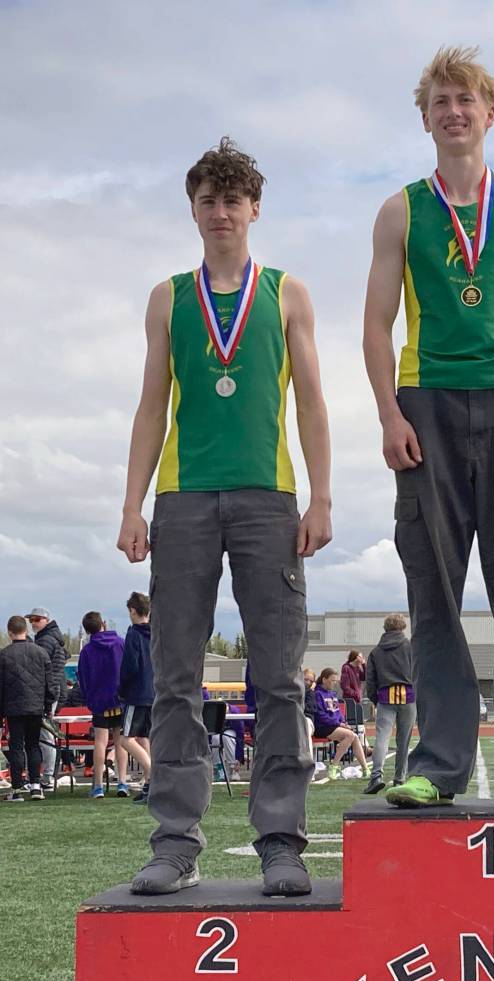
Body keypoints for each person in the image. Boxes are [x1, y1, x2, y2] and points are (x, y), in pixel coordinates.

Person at [115, 137, 332, 897]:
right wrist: (132, 503)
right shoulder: (168, 297)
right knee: (176, 679)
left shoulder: (287, 293)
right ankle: (175, 842)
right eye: (208, 199)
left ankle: (281, 841)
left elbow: (310, 400)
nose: (220, 211)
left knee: (277, 680)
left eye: (233, 199)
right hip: (182, 500)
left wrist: (322, 496)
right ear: (194, 210)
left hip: (268, 501)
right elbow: (151, 405)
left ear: (255, 208)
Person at [363, 46, 494, 810]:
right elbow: (377, 323)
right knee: (435, 595)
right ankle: (440, 762)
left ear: (490, 112)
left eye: (467, 99)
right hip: (427, 406)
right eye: (441, 101)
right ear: (425, 118)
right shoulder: (401, 209)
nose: (455, 111)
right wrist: (389, 414)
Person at [77, 611, 145, 798]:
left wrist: (90, 698)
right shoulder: (120, 644)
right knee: (121, 741)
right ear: (103, 624)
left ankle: (98, 785)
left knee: (100, 742)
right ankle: (122, 782)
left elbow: (82, 678)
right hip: (121, 700)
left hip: (100, 702)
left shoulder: (87, 651)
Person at [0, 615, 56, 801]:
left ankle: (17, 788)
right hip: (35, 707)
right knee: (34, 746)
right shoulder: (41, 653)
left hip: (13, 708)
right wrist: (48, 706)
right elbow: (50, 684)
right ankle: (36, 785)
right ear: (26, 630)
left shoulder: (4, 655)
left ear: (9, 632)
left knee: (16, 746)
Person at [363, 614, 417, 794]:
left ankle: (376, 776)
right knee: (404, 740)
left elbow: (370, 680)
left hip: (385, 697)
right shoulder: (410, 647)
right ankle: (399, 779)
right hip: (408, 696)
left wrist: (375, 699)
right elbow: (418, 671)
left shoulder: (376, 651)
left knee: (381, 738)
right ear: (402, 627)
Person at [26, 606, 68, 789]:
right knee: (45, 734)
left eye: (36, 619)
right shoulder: (50, 639)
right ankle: (47, 775)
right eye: (31, 620)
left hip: (47, 694)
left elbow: (39, 670)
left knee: (45, 734)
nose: (33, 623)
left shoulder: (46, 641)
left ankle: (48, 777)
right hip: (51, 692)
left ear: (46, 620)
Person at [119, 591, 154, 803]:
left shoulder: (133, 634)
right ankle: (150, 783)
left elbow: (129, 666)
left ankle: (152, 772)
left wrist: (122, 688)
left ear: (133, 610)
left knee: (126, 738)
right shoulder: (157, 632)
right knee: (145, 737)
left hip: (137, 693)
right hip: (154, 692)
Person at [310, 669, 369, 781]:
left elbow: (338, 713)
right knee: (350, 736)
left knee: (355, 737)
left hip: (334, 725)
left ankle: (365, 769)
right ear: (324, 679)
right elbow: (321, 715)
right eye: (332, 680)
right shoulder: (317, 694)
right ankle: (334, 765)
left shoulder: (332, 694)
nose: (335, 683)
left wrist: (344, 722)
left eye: (336, 681)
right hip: (323, 726)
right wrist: (339, 724)